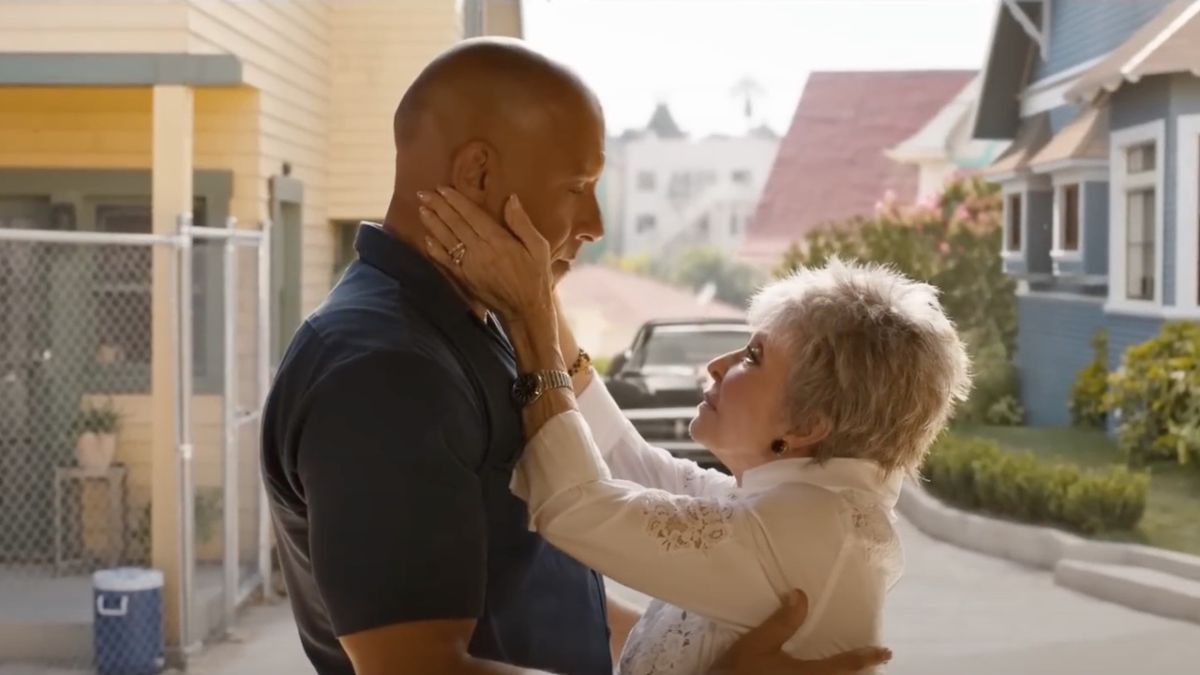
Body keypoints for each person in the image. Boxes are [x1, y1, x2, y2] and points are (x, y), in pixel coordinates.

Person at [261, 37, 892, 675]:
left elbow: (543, 584)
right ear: (477, 175)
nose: (595, 223)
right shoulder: (385, 371)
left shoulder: (481, 325)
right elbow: (417, 668)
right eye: (577, 186)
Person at [416, 188, 972, 674]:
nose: (717, 364)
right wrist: (541, 290)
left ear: (809, 423)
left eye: (753, 357)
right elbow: (624, 461)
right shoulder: (797, 506)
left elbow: (578, 507)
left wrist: (528, 313)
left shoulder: (807, 526)